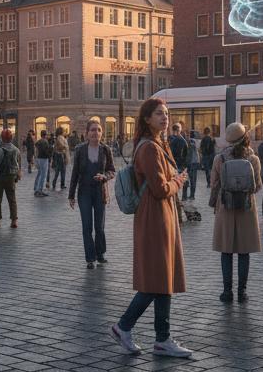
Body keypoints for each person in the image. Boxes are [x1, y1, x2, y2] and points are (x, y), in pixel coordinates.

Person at [110, 98, 192, 358]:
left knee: (163, 279)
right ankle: (125, 326)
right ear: (146, 118)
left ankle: (162, 339)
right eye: (159, 114)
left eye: (166, 114)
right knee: (156, 280)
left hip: (162, 216)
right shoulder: (149, 149)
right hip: (154, 217)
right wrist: (178, 181)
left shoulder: (158, 144)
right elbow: (159, 189)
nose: (165, 118)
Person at [210, 122, 261, 303]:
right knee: (244, 251)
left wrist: (213, 202)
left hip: (225, 207)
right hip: (246, 207)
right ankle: (242, 292)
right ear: (245, 138)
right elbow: (257, 186)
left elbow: (214, 184)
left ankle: (226, 292)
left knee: (226, 251)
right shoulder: (253, 159)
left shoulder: (220, 159)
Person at [69, 118, 117, 268]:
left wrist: (105, 177)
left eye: (98, 130)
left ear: (101, 133)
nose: (95, 132)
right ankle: (90, 258)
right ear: (87, 133)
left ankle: (100, 253)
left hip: (100, 191)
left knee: (99, 226)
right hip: (84, 192)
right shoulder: (80, 150)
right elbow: (75, 173)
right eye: (93, 130)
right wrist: (71, 195)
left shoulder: (106, 149)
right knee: (87, 226)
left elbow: (112, 171)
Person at [0, 129, 21, 229]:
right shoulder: (16, 150)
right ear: (11, 138)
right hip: (11, 178)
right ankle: (14, 220)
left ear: (2, 138)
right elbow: (19, 164)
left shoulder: (0, 150)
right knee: (12, 199)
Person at [167, 123, 191, 200]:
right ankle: (184, 196)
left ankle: (175, 197)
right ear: (179, 130)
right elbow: (186, 154)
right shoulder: (183, 141)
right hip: (182, 163)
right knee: (184, 180)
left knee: (174, 180)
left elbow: (170, 153)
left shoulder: (171, 140)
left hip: (174, 163)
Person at [33, 130, 52, 197]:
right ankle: (40, 190)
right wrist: (49, 154)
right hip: (43, 158)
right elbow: (46, 151)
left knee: (39, 174)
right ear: (45, 135)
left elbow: (36, 149)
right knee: (43, 175)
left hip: (39, 158)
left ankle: (36, 188)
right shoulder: (45, 142)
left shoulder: (39, 141)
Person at [51, 127, 69, 191]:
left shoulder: (60, 137)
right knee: (61, 170)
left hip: (60, 155)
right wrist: (65, 147)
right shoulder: (60, 138)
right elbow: (61, 146)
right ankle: (61, 184)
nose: (65, 132)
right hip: (61, 156)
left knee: (59, 170)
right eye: (64, 131)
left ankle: (56, 183)